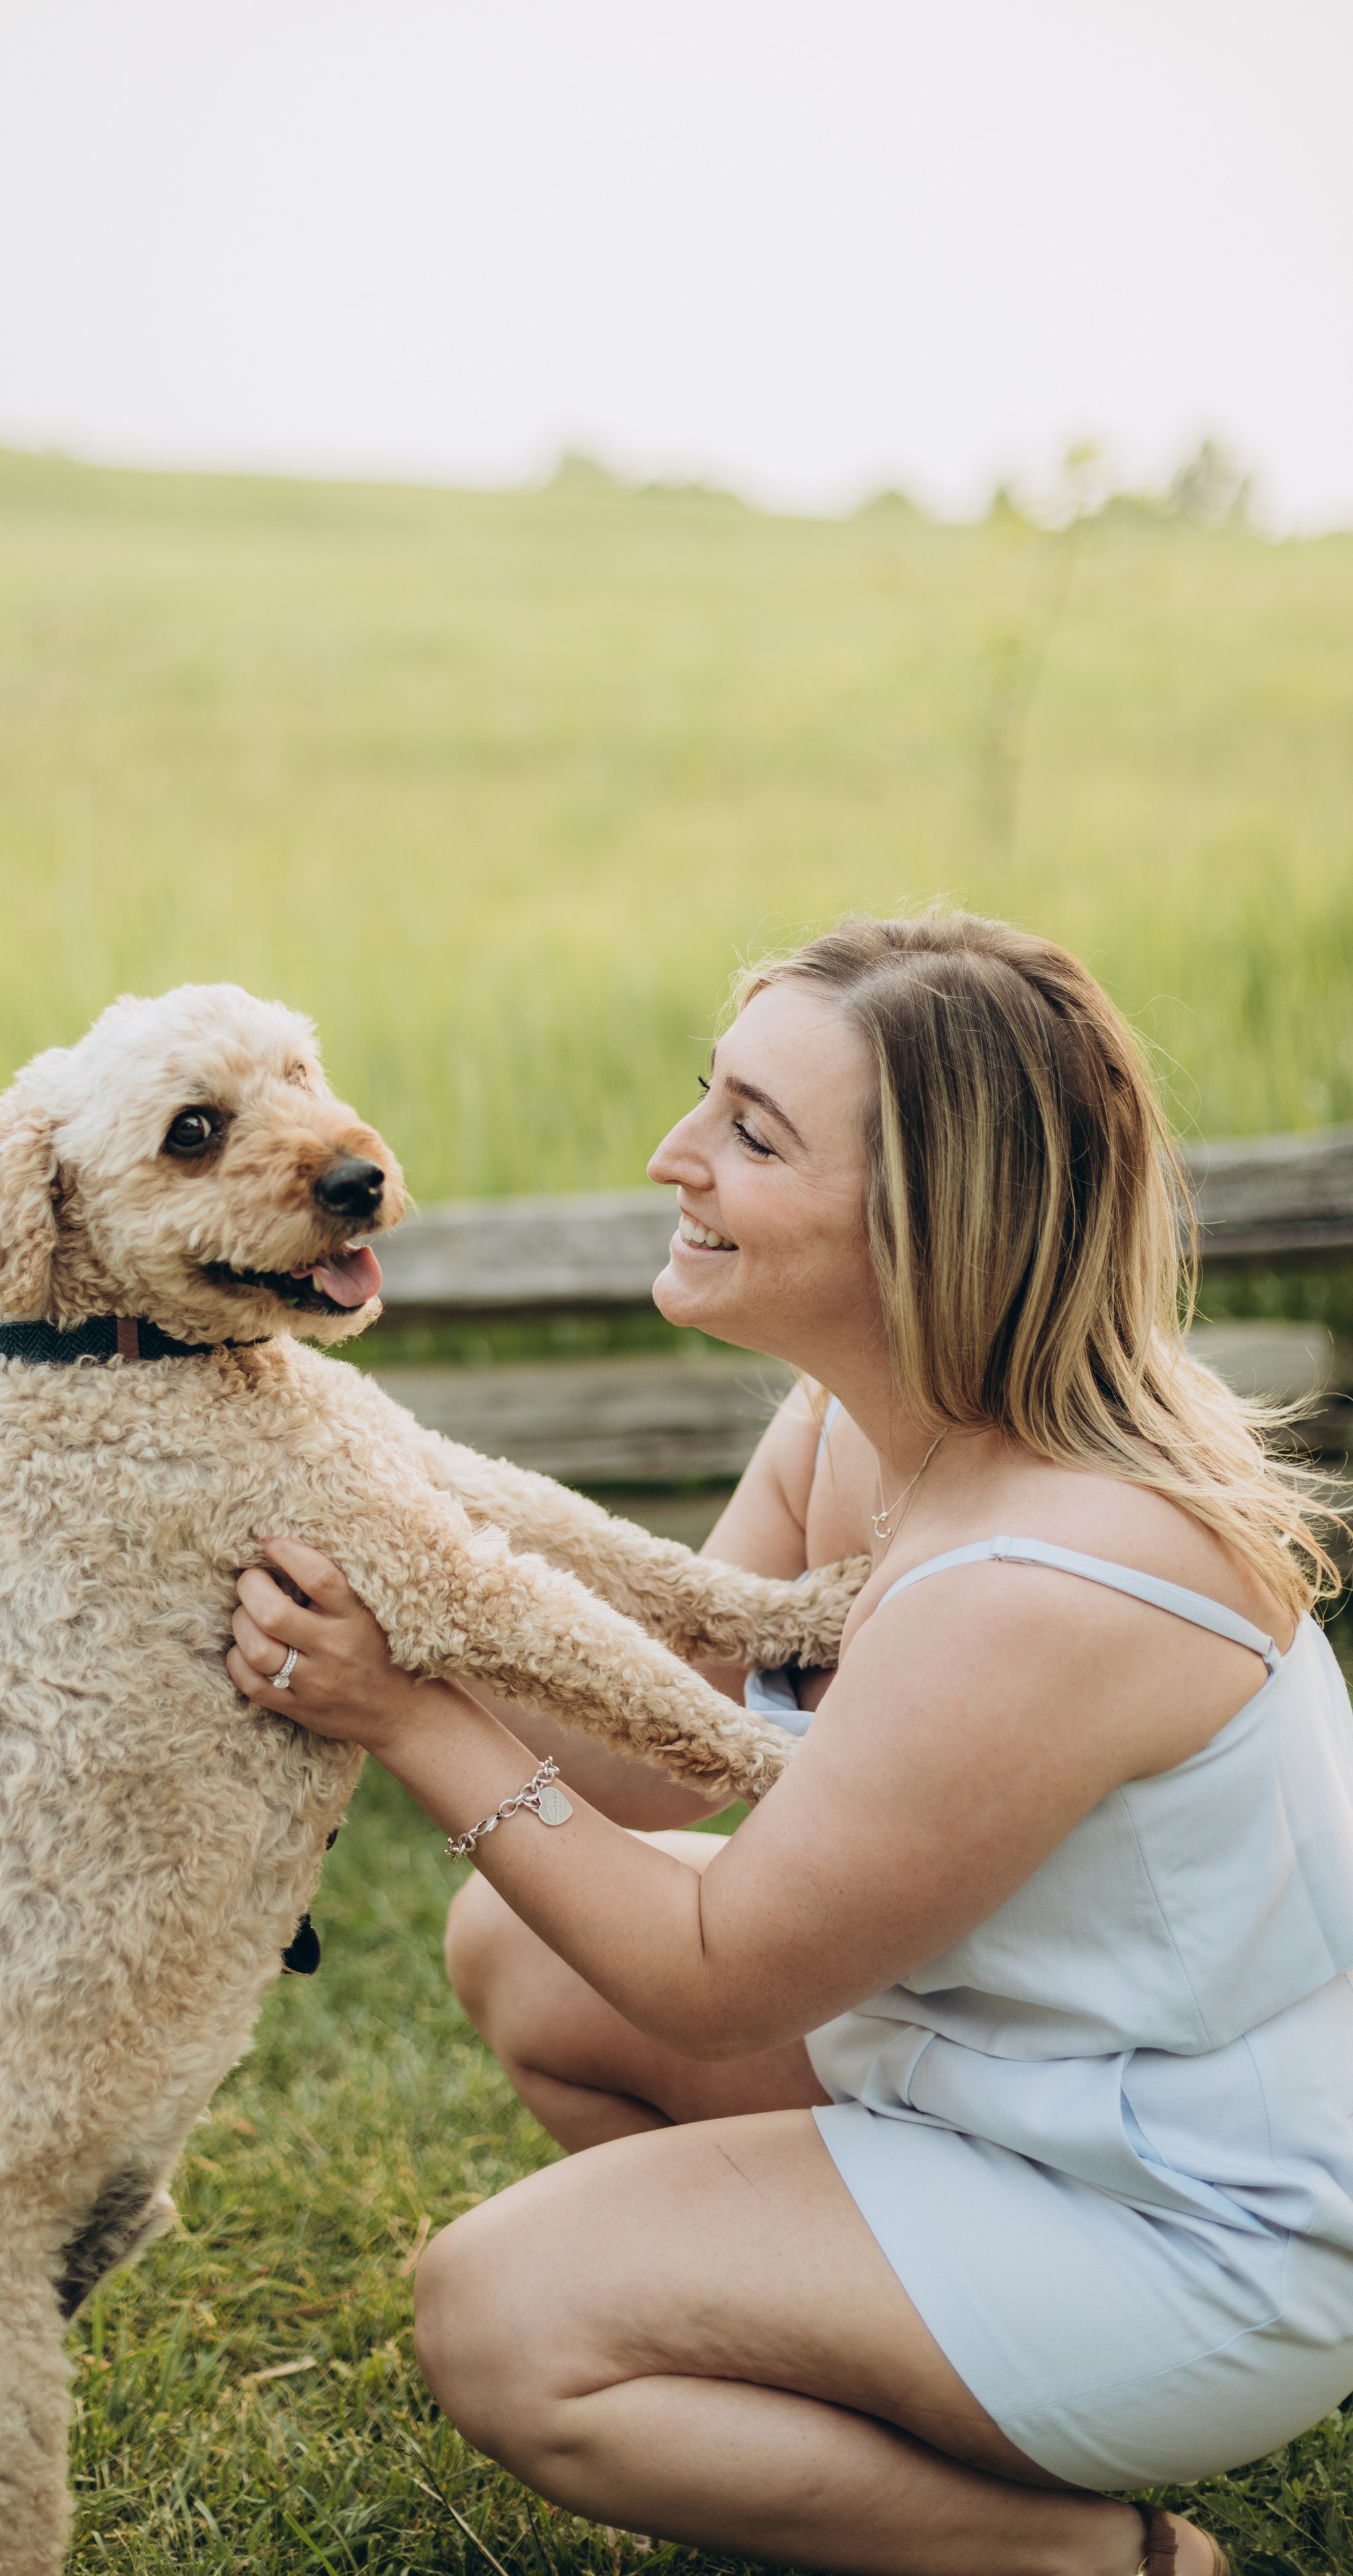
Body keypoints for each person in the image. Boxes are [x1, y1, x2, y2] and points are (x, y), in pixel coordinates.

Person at [226, 912, 1353, 2576]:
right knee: (519, 1948)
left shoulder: (1050, 1578)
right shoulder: (863, 1420)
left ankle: (1085, 2557)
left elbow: (709, 1978)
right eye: (710, 1096)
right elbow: (648, 1752)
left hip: (1186, 2226)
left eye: (751, 1135)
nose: (673, 1157)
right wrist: (365, 1584)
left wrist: (403, 1716)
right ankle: (836, 2406)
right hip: (988, 2087)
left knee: (505, 2320)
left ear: (926, 1227)